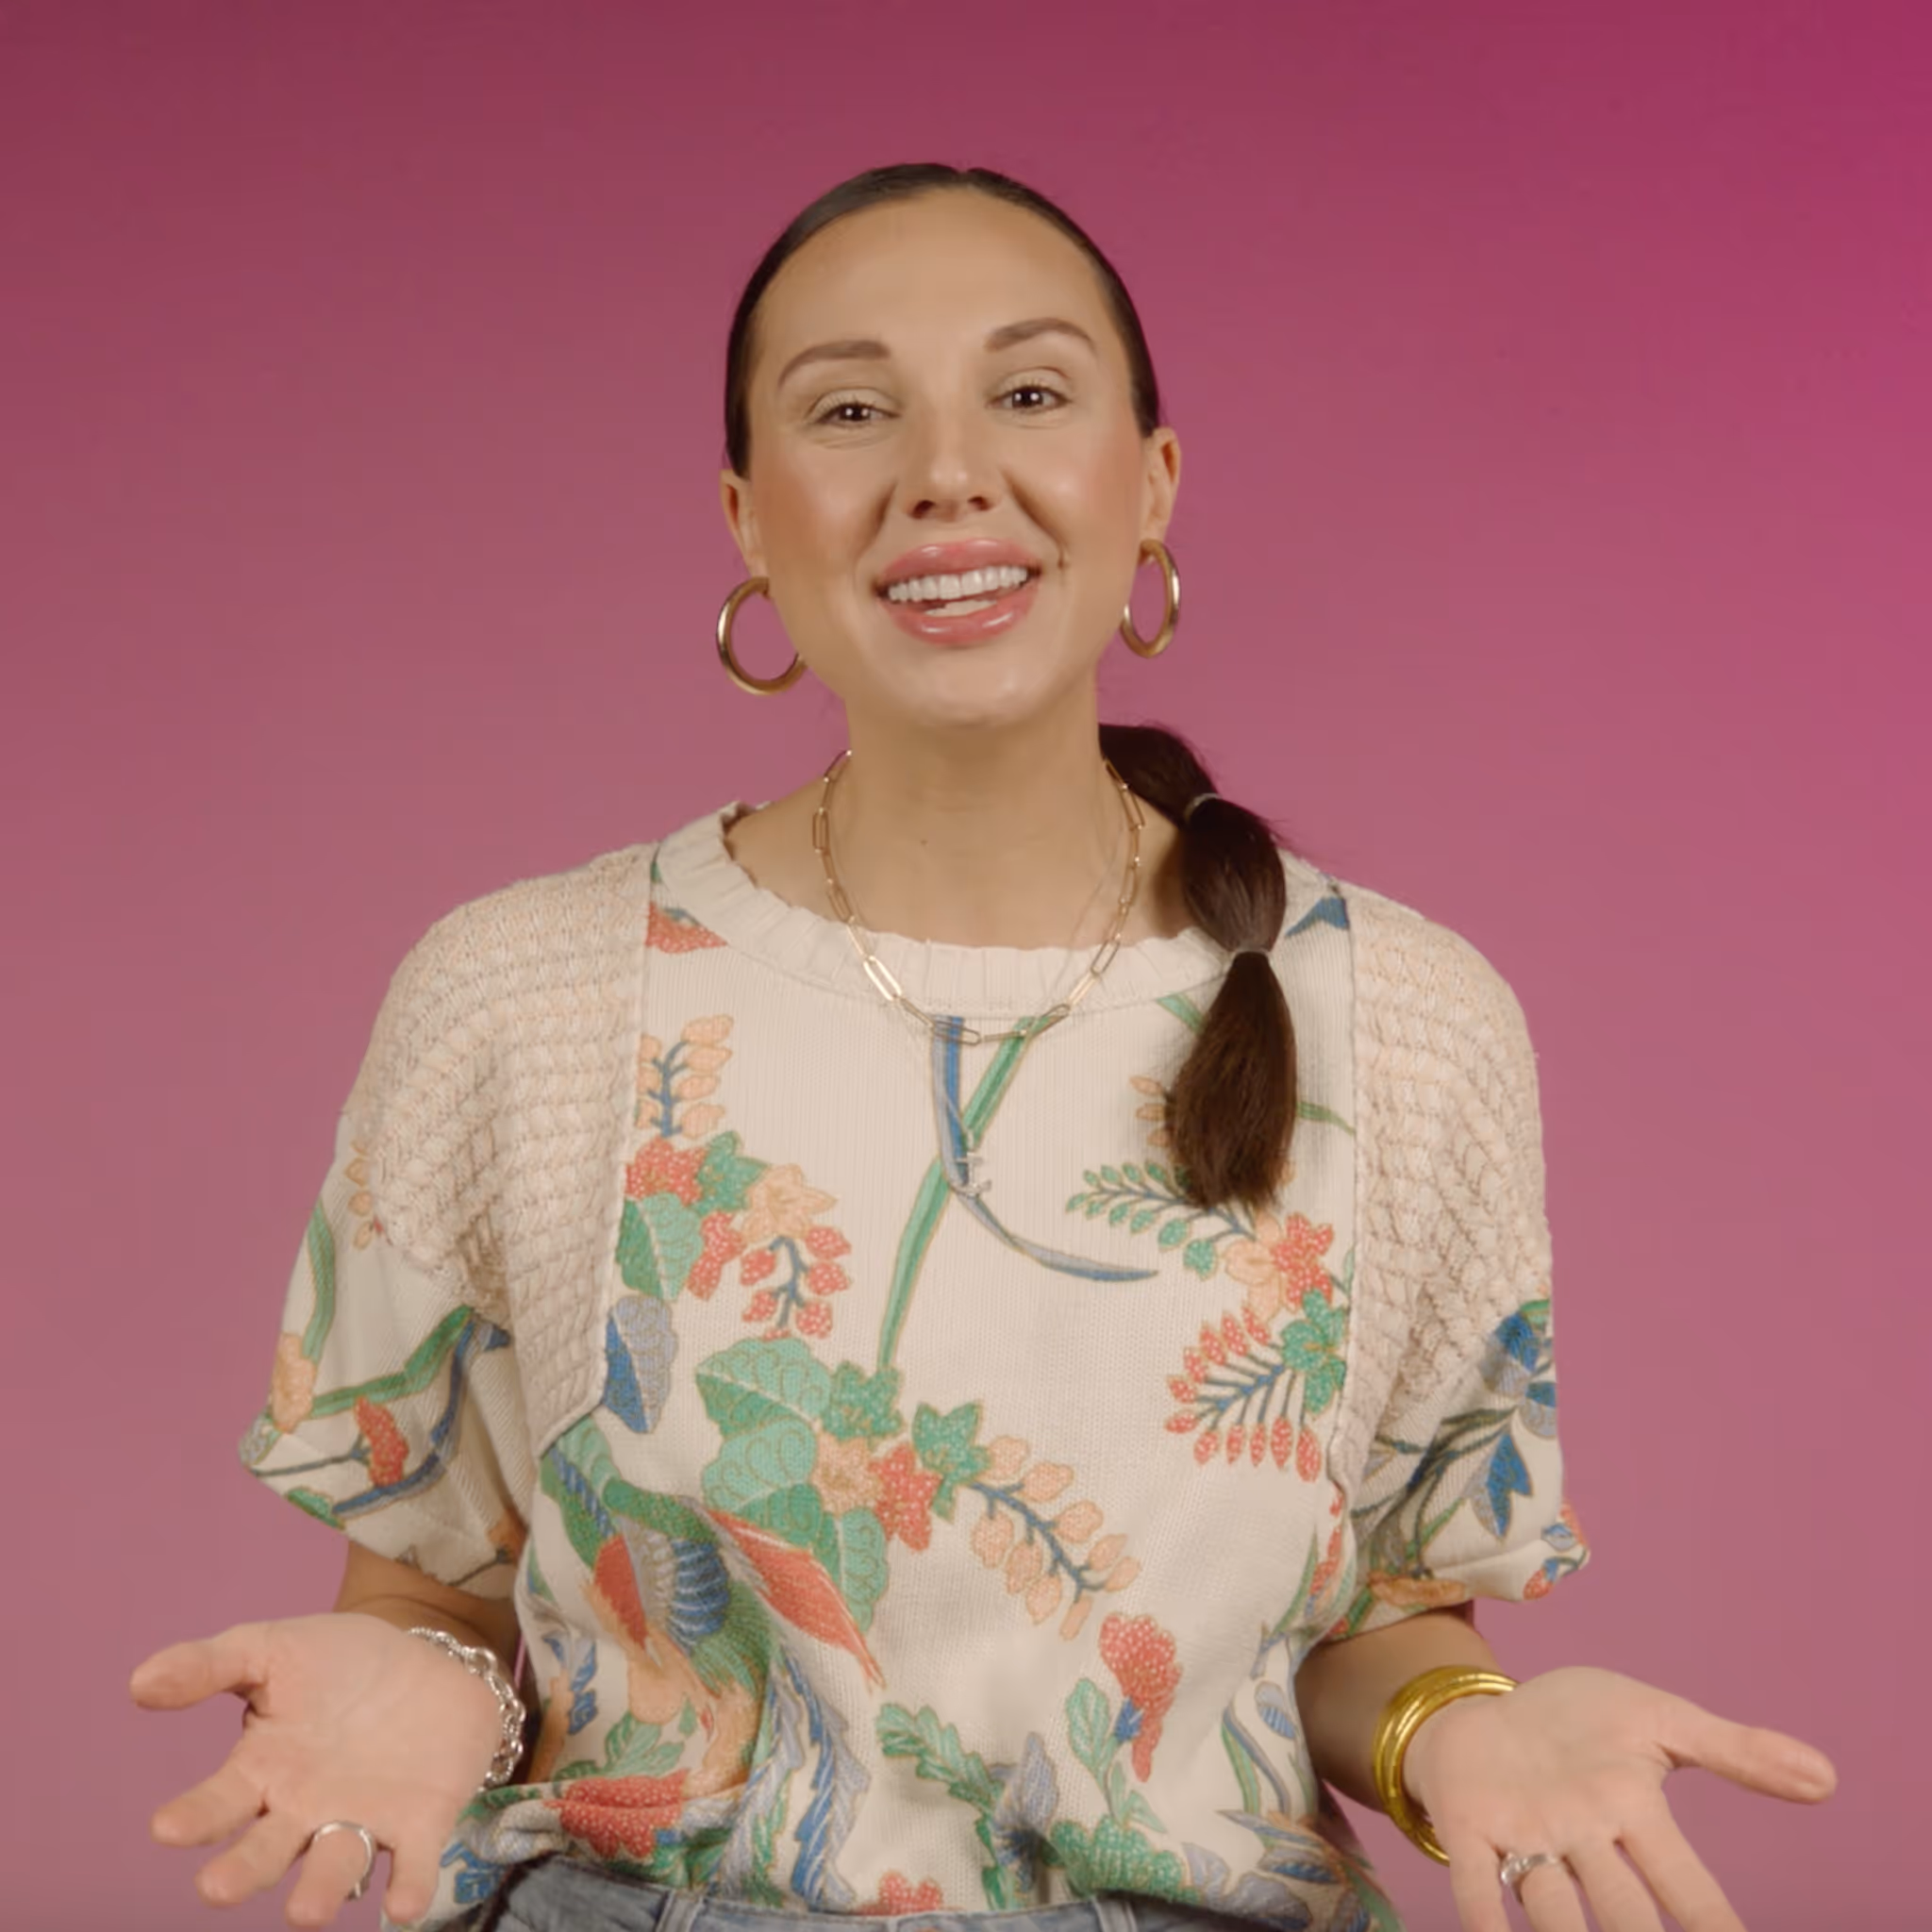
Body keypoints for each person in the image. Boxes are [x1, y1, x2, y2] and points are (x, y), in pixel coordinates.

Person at [131, 163, 1837, 1932]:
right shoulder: (522, 1000)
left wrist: (1459, 1728)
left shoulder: (1403, 1024)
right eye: (851, 410)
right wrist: (429, 1687)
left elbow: (1379, 1619)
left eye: (1027, 392)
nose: (947, 472)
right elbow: (434, 1596)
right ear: (747, 516)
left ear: (1151, 482)